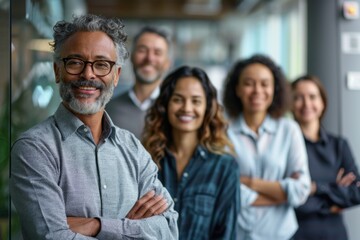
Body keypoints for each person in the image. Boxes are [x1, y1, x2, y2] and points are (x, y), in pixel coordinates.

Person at [10, 14, 178, 239]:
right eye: (75, 62)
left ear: (116, 75)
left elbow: (169, 228)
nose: (88, 74)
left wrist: (96, 226)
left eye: (101, 64)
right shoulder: (34, 149)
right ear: (57, 71)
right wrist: (131, 228)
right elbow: (51, 237)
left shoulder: (133, 148)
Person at [142, 66, 240, 239]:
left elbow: (226, 233)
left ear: (207, 108)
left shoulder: (225, 167)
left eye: (196, 101)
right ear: (165, 104)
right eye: (178, 99)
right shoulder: (144, 160)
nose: (187, 108)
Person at [223, 54, 311, 240]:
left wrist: (248, 182)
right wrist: (282, 193)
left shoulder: (289, 130)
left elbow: (302, 189)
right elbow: (226, 190)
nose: (257, 90)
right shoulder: (223, 132)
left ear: (274, 89)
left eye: (265, 84)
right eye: (249, 83)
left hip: (283, 234)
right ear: (237, 89)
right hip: (237, 234)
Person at [291, 74, 360, 240]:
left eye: (312, 97)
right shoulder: (287, 148)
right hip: (297, 235)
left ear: (322, 103)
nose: (307, 103)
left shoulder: (339, 145)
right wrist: (333, 197)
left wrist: (315, 188)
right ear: (290, 104)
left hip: (334, 235)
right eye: (298, 98)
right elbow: (290, 199)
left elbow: (356, 192)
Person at [106, 25, 172, 139]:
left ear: (167, 63)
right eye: (142, 50)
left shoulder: (174, 108)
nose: (149, 58)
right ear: (131, 57)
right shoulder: (108, 109)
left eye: (157, 52)